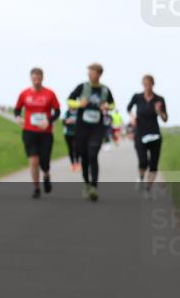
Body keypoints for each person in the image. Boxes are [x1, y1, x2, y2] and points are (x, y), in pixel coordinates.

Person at [68, 63, 115, 202]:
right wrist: (78, 104)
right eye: (89, 72)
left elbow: (112, 105)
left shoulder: (105, 90)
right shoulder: (82, 87)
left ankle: (94, 187)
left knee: (93, 155)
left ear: (99, 74)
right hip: (82, 127)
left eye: (92, 72)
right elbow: (69, 100)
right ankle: (87, 183)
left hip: (97, 128)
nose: (89, 74)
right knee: (84, 156)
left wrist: (107, 106)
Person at [14, 68, 62, 199]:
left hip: (45, 132)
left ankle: (46, 175)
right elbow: (17, 109)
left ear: (42, 78)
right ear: (31, 78)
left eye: (38, 78)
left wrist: (49, 121)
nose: (36, 81)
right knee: (33, 160)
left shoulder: (50, 94)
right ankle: (36, 188)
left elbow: (57, 112)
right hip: (29, 131)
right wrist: (18, 117)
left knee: (44, 161)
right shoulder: (24, 94)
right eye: (34, 78)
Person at [127, 75, 169, 193]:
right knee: (143, 161)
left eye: (149, 84)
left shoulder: (159, 99)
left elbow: (165, 119)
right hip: (140, 133)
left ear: (153, 84)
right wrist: (132, 117)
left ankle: (148, 188)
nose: (147, 86)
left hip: (155, 134)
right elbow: (128, 108)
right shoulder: (137, 97)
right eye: (144, 84)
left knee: (153, 164)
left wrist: (159, 111)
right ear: (142, 84)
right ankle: (140, 178)